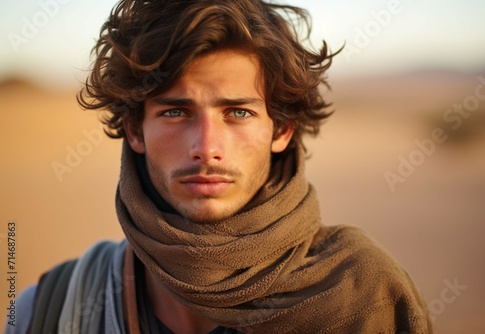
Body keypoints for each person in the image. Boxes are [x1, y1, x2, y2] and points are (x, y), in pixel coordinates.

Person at [7, 0, 433, 333]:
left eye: (238, 113)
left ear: (281, 129)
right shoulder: (51, 308)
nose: (206, 148)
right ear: (135, 130)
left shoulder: (364, 294)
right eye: (176, 113)